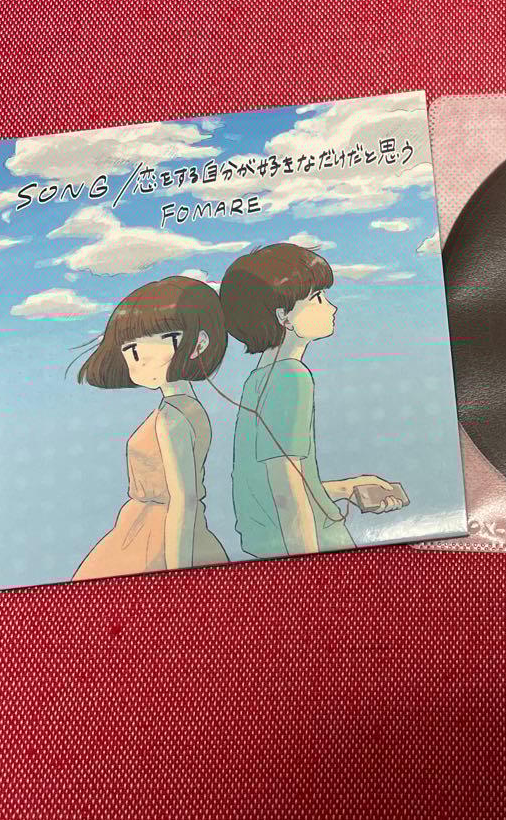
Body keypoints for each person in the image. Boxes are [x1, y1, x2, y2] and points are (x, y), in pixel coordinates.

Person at [219, 242, 407, 558]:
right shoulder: (291, 377)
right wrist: (308, 568)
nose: (332, 307)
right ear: (284, 316)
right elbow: (287, 492)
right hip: (312, 542)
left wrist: (348, 488)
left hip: (268, 545)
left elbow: (274, 485)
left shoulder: (259, 379)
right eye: (317, 298)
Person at [73, 276, 230, 581]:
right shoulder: (188, 408)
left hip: (157, 534)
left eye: (166, 339)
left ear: (198, 344)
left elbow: (183, 499)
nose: (142, 358)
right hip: (153, 526)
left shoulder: (173, 417)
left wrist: (177, 569)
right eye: (131, 349)